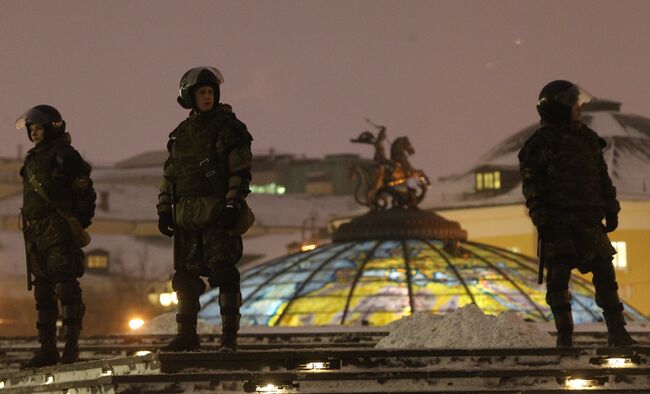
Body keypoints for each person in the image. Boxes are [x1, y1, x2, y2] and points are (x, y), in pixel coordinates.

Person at [518, 80, 637, 347]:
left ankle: (618, 332)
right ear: (557, 108)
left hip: (589, 221)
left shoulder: (587, 139)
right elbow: (533, 187)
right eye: (573, 104)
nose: (578, 108)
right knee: (558, 280)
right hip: (559, 223)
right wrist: (542, 220)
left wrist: (611, 208)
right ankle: (565, 335)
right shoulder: (538, 145)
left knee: (606, 275)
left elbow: (602, 178)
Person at [157, 66, 253, 352]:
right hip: (186, 215)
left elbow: (240, 170)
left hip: (217, 213)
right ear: (190, 96)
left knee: (224, 273)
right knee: (185, 278)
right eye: (202, 93)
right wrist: (164, 209)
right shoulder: (180, 135)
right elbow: (169, 176)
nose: (208, 97)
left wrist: (232, 204)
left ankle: (228, 339)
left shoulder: (230, 129)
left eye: (211, 92)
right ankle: (187, 336)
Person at [15, 105, 96, 367]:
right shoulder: (32, 158)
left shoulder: (65, 155)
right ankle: (47, 348)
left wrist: (78, 221)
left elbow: (84, 189)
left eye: (38, 128)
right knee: (42, 291)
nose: (34, 134)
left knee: (66, 286)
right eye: (32, 129)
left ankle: (71, 346)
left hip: (58, 228)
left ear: (51, 128)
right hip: (35, 231)